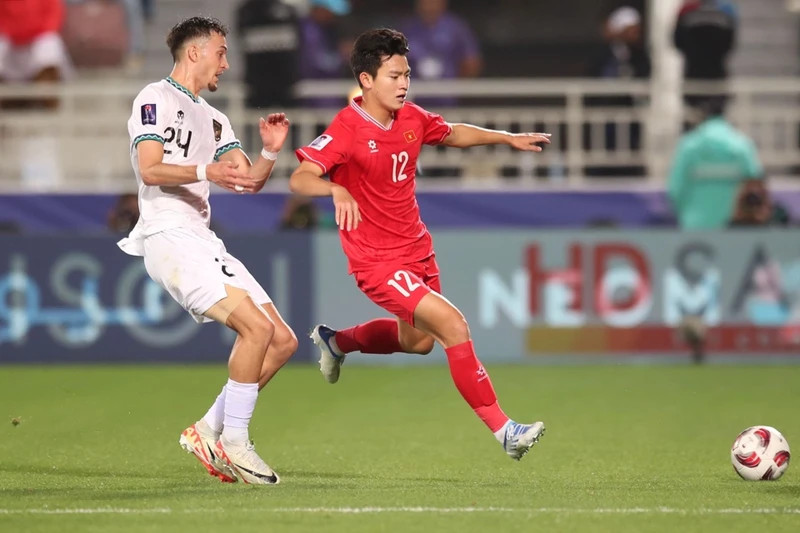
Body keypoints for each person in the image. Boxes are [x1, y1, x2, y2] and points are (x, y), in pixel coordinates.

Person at [290, 28, 550, 461]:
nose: (404, 83)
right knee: (453, 326)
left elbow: (452, 133)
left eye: (407, 74)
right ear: (367, 80)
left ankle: (337, 342)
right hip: (375, 260)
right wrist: (334, 189)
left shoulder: (410, 117)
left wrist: (507, 139)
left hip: (416, 250)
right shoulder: (347, 128)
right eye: (394, 76)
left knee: (419, 342)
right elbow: (300, 177)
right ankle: (505, 430)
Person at [118, 17, 297, 485]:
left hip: (202, 238)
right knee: (255, 329)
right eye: (220, 52)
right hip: (168, 235)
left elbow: (248, 180)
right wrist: (206, 171)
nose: (226, 63)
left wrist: (270, 153)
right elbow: (151, 169)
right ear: (194, 52)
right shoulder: (154, 98)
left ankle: (206, 430)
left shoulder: (216, 119)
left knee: (281, 341)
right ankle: (234, 442)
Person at [667, 96, 762, 230]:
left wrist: (684, 213)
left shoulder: (689, 146)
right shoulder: (742, 146)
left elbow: (675, 189)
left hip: (695, 226)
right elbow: (756, 184)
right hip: (736, 230)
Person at [399, 0, 480, 108]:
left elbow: (471, 62)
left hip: (447, 101)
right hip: (414, 99)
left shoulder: (456, 28)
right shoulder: (407, 28)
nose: (430, 4)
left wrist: (457, 88)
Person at [0, 0, 74, 109]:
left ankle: (49, 100)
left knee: (50, 44)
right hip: (11, 42)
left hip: (39, 39)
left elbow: (53, 21)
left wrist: (30, 33)